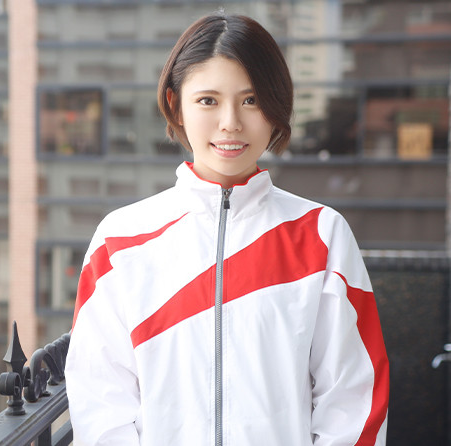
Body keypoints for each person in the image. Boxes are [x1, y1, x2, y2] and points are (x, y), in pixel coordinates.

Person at [64, 12, 389, 446]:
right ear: (175, 105)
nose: (231, 122)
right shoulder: (118, 241)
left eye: (251, 100)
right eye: (208, 100)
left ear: (276, 107)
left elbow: (353, 397)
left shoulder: (321, 235)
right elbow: (99, 400)